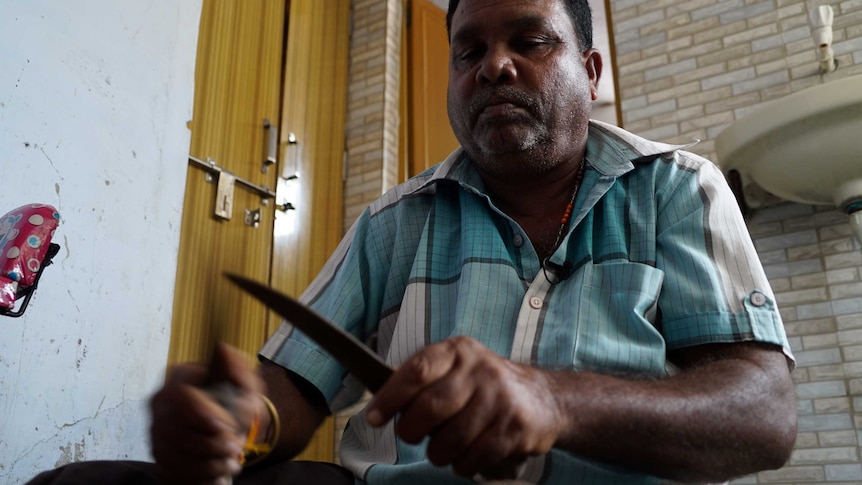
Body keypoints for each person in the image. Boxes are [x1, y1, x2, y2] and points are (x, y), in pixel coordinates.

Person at [28, 0, 797, 484]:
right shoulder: (394, 222)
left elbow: (763, 416)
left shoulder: (679, 190)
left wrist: (554, 398)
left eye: (531, 40)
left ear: (591, 72)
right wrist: (239, 422)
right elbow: (290, 389)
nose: (494, 64)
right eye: (468, 51)